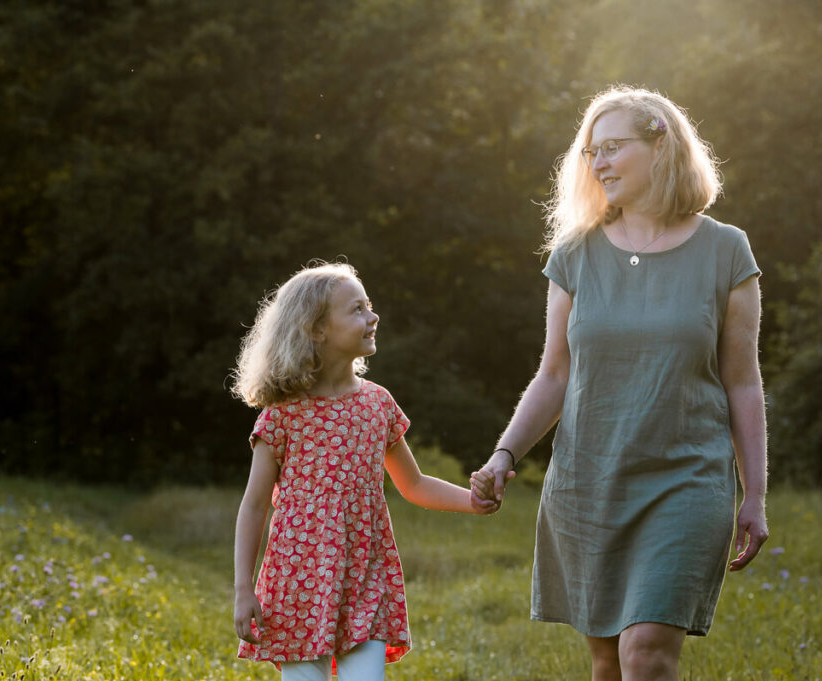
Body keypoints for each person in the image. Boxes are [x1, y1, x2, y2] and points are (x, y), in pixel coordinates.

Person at [470, 85, 769, 681]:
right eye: (590, 151)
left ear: (660, 145)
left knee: (646, 654)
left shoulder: (726, 251)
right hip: (588, 483)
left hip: (686, 479)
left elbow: (743, 383)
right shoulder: (575, 254)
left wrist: (754, 493)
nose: (598, 162)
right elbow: (554, 374)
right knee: (607, 661)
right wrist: (506, 454)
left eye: (612, 147)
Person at [231, 262, 497, 681]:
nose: (373, 317)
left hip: (366, 577)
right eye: (357, 309)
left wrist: (474, 502)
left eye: (368, 306)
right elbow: (255, 504)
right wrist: (244, 589)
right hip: (299, 580)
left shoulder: (378, 404)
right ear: (317, 330)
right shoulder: (283, 414)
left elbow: (414, 484)